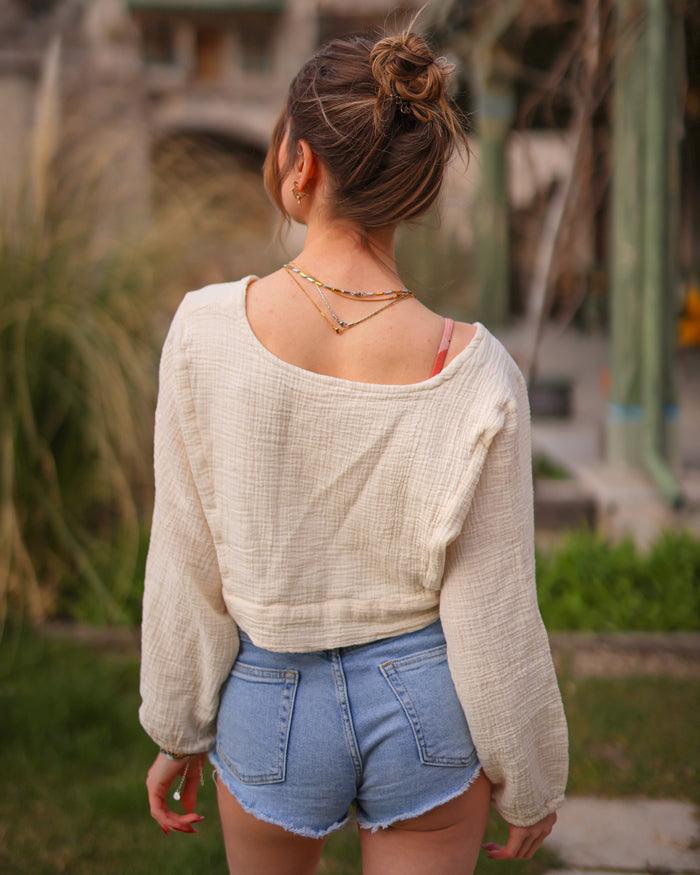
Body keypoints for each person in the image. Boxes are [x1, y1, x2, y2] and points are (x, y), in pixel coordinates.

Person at [138, 14, 569, 875]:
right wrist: (530, 777)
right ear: (416, 188)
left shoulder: (205, 331)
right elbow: (493, 607)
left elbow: (187, 555)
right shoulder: (476, 371)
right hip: (426, 709)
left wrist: (177, 725)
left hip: (268, 702)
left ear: (301, 164)